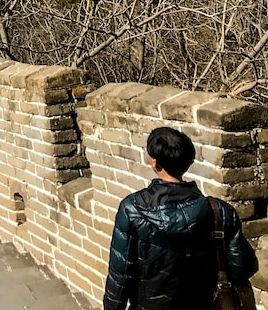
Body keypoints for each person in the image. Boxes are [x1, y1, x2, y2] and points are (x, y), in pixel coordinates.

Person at [103, 126, 258, 310]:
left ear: (155, 163)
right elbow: (243, 268)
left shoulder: (131, 210)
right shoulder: (219, 211)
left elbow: (119, 282)